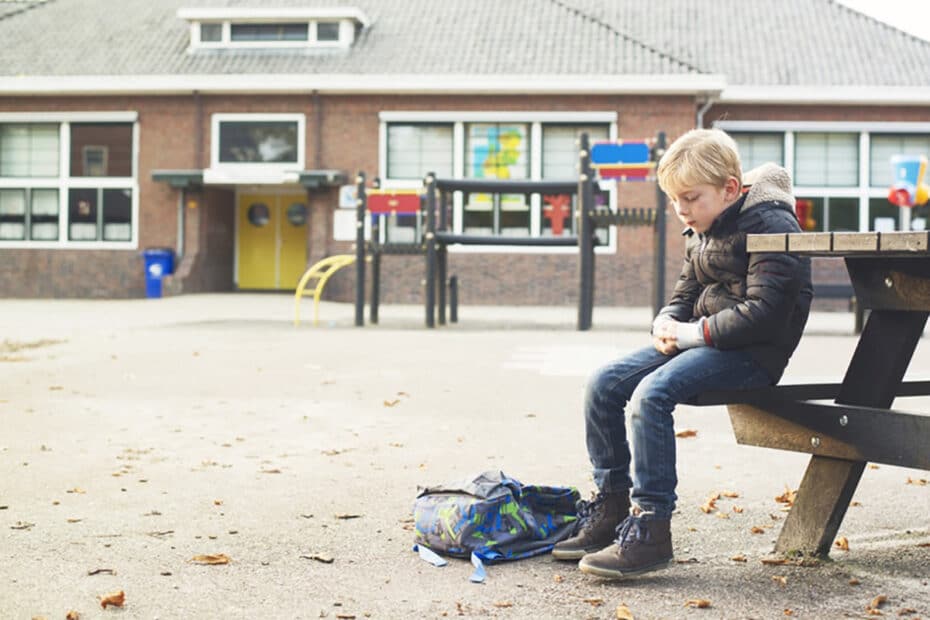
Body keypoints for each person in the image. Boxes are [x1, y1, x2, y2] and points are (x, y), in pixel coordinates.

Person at [551, 128, 813, 579]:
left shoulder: (772, 226)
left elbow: (765, 314)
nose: (682, 211)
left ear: (730, 190)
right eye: (675, 201)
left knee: (652, 395)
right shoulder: (703, 224)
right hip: (704, 339)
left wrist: (691, 334)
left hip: (754, 355)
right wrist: (665, 323)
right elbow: (686, 289)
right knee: (603, 383)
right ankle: (613, 503)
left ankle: (652, 528)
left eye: (690, 199)